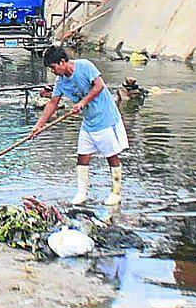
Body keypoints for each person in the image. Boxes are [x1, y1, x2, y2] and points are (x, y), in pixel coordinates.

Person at [34, 45, 127, 206]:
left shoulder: (84, 66)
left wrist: (82, 102)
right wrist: (38, 125)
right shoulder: (61, 82)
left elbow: (99, 85)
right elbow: (53, 103)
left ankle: (116, 192)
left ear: (62, 62)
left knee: (111, 156)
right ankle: (82, 192)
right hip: (89, 122)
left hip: (105, 118)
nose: (53, 71)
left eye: (53, 67)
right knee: (82, 157)